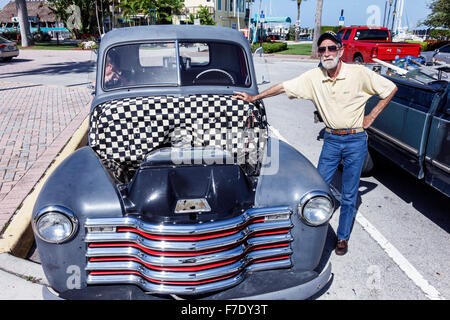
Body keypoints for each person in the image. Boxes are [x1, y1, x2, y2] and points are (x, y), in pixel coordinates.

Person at [233, 31, 398, 256]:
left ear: (340, 51)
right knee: (317, 187)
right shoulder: (314, 77)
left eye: (332, 48)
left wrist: (370, 118)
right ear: (319, 53)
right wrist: (254, 98)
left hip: (355, 140)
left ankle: (342, 238)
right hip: (331, 140)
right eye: (322, 49)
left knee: (349, 195)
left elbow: (390, 89)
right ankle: (311, 232)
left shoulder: (358, 73)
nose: (327, 53)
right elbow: (283, 86)